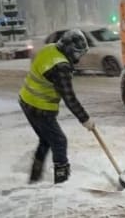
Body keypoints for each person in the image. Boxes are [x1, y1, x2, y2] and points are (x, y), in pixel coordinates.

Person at [19, 29, 95, 184]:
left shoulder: (51, 48)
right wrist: (85, 119)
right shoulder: (60, 67)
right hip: (39, 107)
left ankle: (34, 177)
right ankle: (62, 183)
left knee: (46, 140)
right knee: (59, 141)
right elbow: (69, 97)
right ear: (69, 50)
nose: (78, 58)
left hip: (26, 101)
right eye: (77, 53)